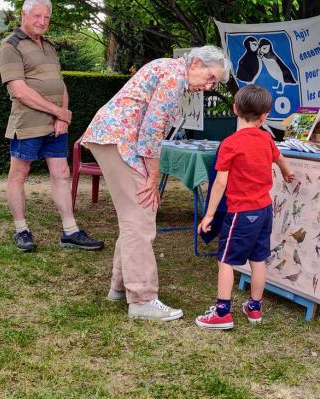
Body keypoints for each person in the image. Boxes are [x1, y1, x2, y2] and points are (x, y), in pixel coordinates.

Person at [81, 46, 231, 321]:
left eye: (215, 83)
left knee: (134, 216)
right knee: (140, 217)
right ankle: (142, 299)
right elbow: (151, 131)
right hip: (119, 139)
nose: (210, 87)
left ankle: (119, 287)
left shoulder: (171, 71)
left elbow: (152, 129)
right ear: (196, 62)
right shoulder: (175, 77)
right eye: (211, 78)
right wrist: (152, 177)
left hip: (114, 138)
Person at [0, 0, 104, 253]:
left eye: (46, 17)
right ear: (23, 15)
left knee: (62, 174)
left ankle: (70, 231)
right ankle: (21, 230)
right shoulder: (10, 45)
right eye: (37, 16)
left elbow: (60, 83)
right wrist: (59, 111)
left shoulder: (48, 45)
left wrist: (61, 116)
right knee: (19, 175)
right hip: (28, 124)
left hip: (55, 125)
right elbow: (19, 90)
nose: (42, 21)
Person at [195, 85, 294, 329]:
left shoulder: (230, 144)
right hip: (264, 210)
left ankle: (222, 313)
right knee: (258, 259)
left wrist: (209, 215)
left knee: (226, 260)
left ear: (235, 109)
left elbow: (220, 182)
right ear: (265, 116)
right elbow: (279, 158)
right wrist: (287, 172)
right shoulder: (266, 138)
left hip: (241, 212)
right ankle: (254, 308)